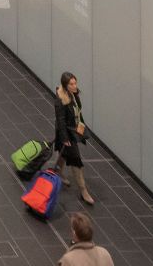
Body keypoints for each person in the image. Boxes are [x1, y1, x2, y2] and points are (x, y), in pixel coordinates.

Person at [55, 71, 97, 205]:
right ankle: (83, 191)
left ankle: (58, 172)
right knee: (75, 161)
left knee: (63, 152)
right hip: (66, 133)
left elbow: (78, 111)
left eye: (75, 82)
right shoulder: (60, 100)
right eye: (71, 84)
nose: (75, 86)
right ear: (65, 85)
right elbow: (60, 120)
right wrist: (64, 138)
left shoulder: (74, 94)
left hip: (73, 131)